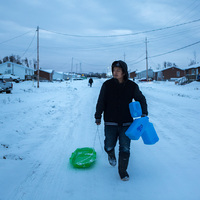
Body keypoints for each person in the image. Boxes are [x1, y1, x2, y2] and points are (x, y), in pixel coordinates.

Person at [94, 60, 148, 181]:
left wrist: (144, 113)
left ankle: (122, 172)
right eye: (114, 70)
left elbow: (141, 99)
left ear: (124, 72)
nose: (115, 72)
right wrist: (98, 115)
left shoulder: (132, 86)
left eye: (118, 70)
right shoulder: (107, 85)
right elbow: (101, 101)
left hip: (126, 123)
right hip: (110, 121)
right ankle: (111, 154)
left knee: (125, 148)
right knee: (108, 146)